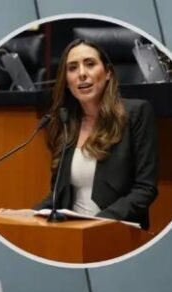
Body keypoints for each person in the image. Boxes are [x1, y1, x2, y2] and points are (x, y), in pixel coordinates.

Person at [35, 38, 158, 230]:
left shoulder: (136, 113)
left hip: (117, 231)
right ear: (66, 81)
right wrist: (27, 215)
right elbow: (59, 194)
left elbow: (145, 190)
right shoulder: (66, 122)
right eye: (72, 68)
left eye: (90, 64)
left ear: (108, 73)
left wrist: (96, 225)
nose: (82, 74)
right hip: (72, 233)